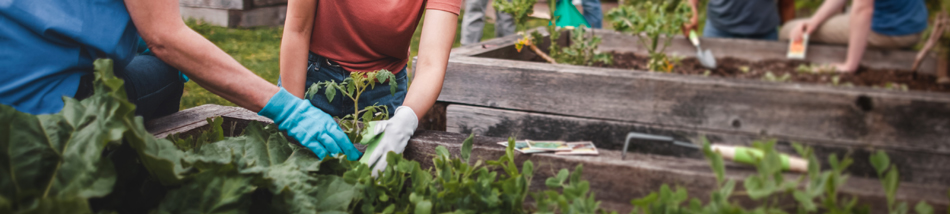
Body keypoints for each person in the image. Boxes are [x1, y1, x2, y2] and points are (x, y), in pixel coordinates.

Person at [0, 0, 365, 162]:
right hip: (43, 109)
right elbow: (165, 39)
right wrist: (288, 109)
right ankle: (135, 173)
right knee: (169, 71)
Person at [279, 0, 460, 173]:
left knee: (373, 191)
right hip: (313, 79)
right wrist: (295, 111)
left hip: (384, 90)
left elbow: (431, 63)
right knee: (294, 174)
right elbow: (298, 29)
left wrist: (405, 120)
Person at [780, 0, 928, 73]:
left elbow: (863, 10)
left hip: (891, 29)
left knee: (789, 30)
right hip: (913, 22)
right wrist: (815, 20)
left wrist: (849, 65)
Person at [682, 0, 796, 40]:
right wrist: (690, 8)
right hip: (719, 31)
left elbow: (787, 3)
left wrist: (789, 33)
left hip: (765, 34)